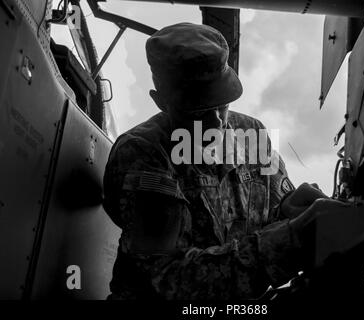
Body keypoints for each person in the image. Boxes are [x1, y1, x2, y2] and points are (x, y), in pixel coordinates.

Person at [103, 22, 339, 300]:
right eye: (199, 110)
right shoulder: (143, 153)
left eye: (221, 103)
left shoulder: (252, 134)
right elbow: (169, 280)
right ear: (160, 101)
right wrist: (292, 241)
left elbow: (269, 216)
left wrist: (289, 210)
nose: (216, 120)